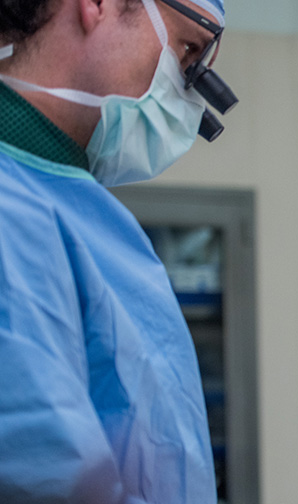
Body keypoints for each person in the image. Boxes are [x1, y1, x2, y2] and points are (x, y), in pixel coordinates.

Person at [0, 0, 234, 501]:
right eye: (187, 48)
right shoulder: (13, 209)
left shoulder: (81, 213)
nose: (188, 97)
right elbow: (37, 471)